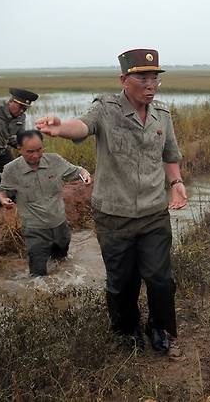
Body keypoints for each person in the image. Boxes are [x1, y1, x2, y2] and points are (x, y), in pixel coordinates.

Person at [35, 49, 187, 354]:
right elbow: (82, 126)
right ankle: (126, 331)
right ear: (123, 79)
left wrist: (177, 183)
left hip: (153, 212)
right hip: (114, 215)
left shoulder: (162, 114)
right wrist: (60, 127)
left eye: (154, 78)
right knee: (122, 282)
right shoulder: (105, 108)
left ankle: (159, 329)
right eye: (142, 77)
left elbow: (170, 154)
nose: (150, 84)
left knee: (160, 279)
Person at [0, 130, 91, 276]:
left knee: (62, 263)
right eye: (30, 152)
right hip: (35, 229)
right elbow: (2, 190)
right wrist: (3, 199)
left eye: (39, 150)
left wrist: (85, 175)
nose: (36, 155)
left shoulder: (54, 161)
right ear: (19, 149)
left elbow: (77, 171)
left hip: (60, 224)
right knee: (38, 273)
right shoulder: (11, 169)